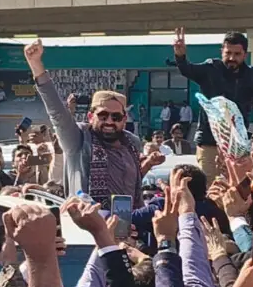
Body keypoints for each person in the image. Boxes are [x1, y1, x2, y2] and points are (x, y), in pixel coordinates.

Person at [25, 39, 162, 209]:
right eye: (103, 115)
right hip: (86, 227)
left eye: (116, 117)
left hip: (129, 225)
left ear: (124, 119)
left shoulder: (131, 143)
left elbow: (128, 183)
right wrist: (36, 64)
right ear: (91, 116)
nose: (110, 122)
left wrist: (147, 164)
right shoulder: (79, 140)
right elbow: (57, 113)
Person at [173, 28, 253, 184]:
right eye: (228, 53)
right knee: (211, 189)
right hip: (210, 144)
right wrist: (180, 56)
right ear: (222, 51)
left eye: (237, 54)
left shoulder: (252, 76)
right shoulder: (211, 69)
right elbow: (188, 69)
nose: (231, 58)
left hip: (239, 148)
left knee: (240, 189)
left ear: (245, 55)